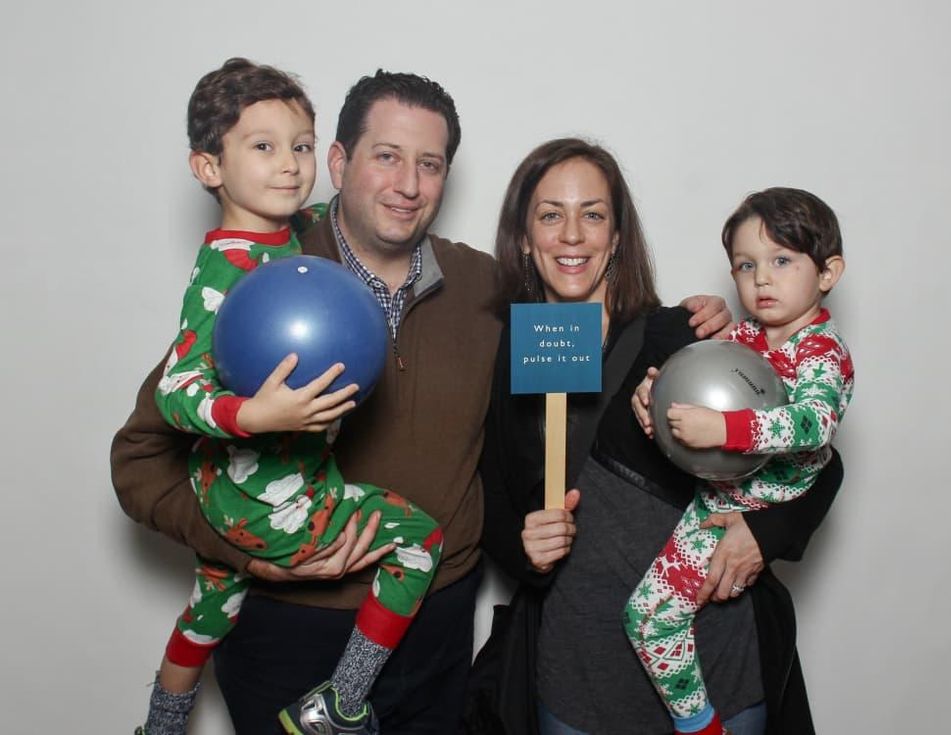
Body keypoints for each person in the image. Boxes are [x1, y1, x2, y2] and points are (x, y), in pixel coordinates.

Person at [112, 70, 732, 734]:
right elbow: (141, 458)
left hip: (437, 628)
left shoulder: (486, 288)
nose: (408, 184)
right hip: (290, 628)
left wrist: (694, 327)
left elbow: (573, 383)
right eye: (387, 156)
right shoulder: (273, 280)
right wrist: (242, 549)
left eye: (429, 164)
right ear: (339, 162)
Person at [478, 139, 844, 735]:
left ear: (617, 235)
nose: (572, 235)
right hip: (576, 665)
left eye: (593, 214)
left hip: (710, 659)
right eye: (550, 215)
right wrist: (522, 547)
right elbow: (487, 491)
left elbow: (818, 457)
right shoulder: (506, 352)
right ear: (523, 235)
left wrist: (764, 533)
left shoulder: (685, 335)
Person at [137, 58, 444, 735]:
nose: (289, 165)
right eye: (263, 147)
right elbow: (174, 391)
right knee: (420, 541)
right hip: (274, 501)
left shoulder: (284, 236)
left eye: (300, 147)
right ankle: (342, 702)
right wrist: (253, 414)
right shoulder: (226, 270)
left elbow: (318, 213)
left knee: (207, 614)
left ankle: (159, 726)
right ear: (208, 167)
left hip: (226, 493)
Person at [624, 187, 853, 735]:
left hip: (755, 509)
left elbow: (814, 423)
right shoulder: (743, 338)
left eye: (782, 261)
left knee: (650, 619)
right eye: (746, 265)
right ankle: (704, 725)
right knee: (649, 618)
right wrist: (656, 398)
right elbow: (694, 386)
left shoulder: (822, 351)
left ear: (828, 272)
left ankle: (699, 729)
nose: (762, 279)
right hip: (717, 498)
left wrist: (722, 429)